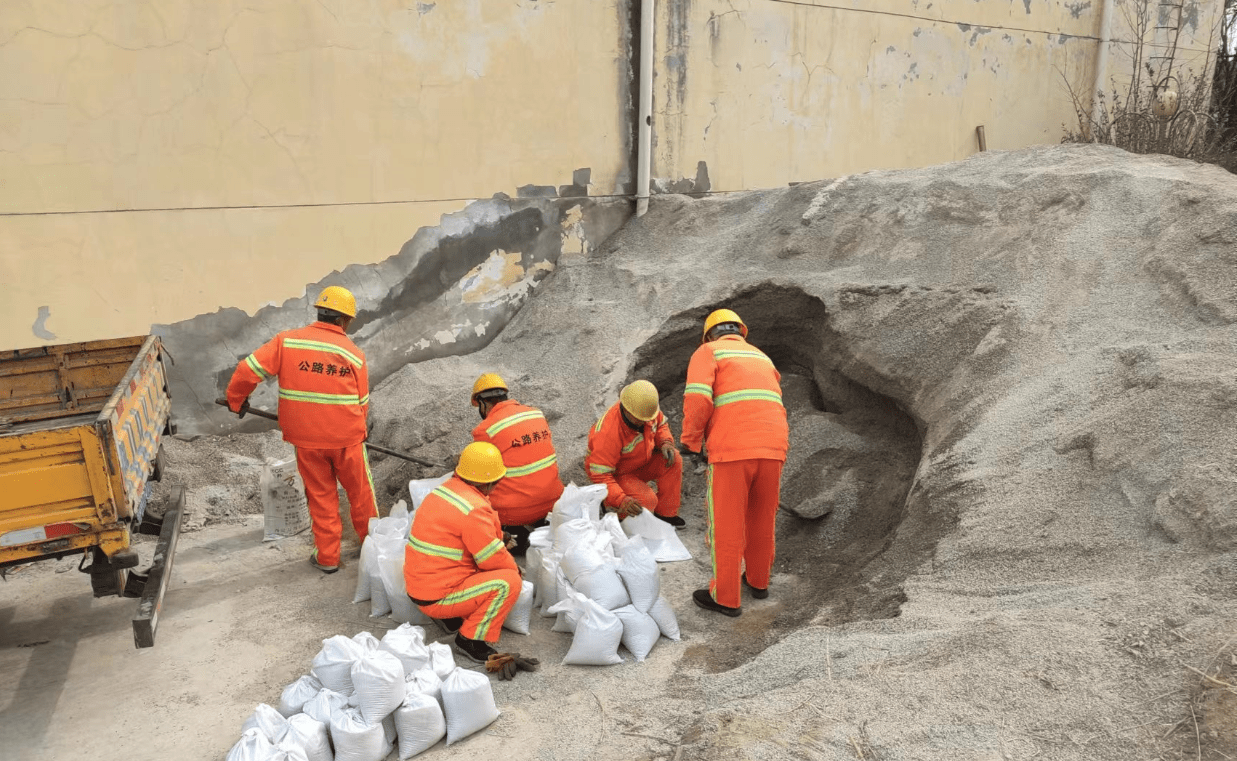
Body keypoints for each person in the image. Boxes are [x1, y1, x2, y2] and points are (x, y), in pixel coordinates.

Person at [225, 285, 376, 574]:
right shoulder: (355, 355)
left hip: (307, 441)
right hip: (348, 441)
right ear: (345, 321)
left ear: (319, 312)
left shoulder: (287, 342)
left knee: (321, 497)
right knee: (361, 495)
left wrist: (236, 400)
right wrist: (355, 433)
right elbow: (362, 404)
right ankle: (373, 550)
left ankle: (328, 558)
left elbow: (247, 370)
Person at [680, 308, 789, 617]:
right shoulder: (761, 356)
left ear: (709, 334)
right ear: (741, 331)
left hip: (732, 449)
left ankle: (725, 597)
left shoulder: (708, 351)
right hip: (773, 446)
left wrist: (690, 442)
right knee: (761, 518)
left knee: (726, 525)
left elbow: (699, 398)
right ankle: (758, 582)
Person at [404, 441, 522, 663]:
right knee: (509, 582)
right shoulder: (474, 510)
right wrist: (515, 569)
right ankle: (470, 640)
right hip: (437, 595)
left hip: (421, 586)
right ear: (490, 483)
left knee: (478, 566)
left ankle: (450, 617)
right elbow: (492, 559)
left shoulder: (444, 492)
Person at [469, 373, 564, 554]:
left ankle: (512, 535)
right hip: (554, 502)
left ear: (483, 403)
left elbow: (479, 475)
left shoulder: (485, 430)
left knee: (473, 491)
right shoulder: (536, 414)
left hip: (514, 513)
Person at [584, 380, 684, 526]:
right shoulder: (608, 432)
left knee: (674, 458)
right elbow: (600, 475)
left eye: (648, 419)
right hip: (617, 475)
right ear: (626, 409)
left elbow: (661, 425)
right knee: (646, 502)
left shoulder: (645, 410)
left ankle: (666, 515)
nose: (646, 422)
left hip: (639, 464)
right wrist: (621, 500)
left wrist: (665, 442)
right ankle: (616, 512)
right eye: (641, 419)